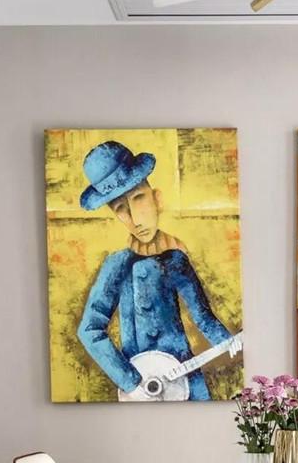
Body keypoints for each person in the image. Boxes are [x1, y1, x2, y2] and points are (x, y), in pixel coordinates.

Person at [77, 140, 241, 400]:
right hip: (143, 383)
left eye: (138, 198)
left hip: (185, 375)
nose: (135, 219)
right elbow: (89, 330)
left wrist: (227, 341)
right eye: (121, 209)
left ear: (157, 199)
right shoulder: (116, 266)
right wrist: (131, 381)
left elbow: (203, 317)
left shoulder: (176, 259)